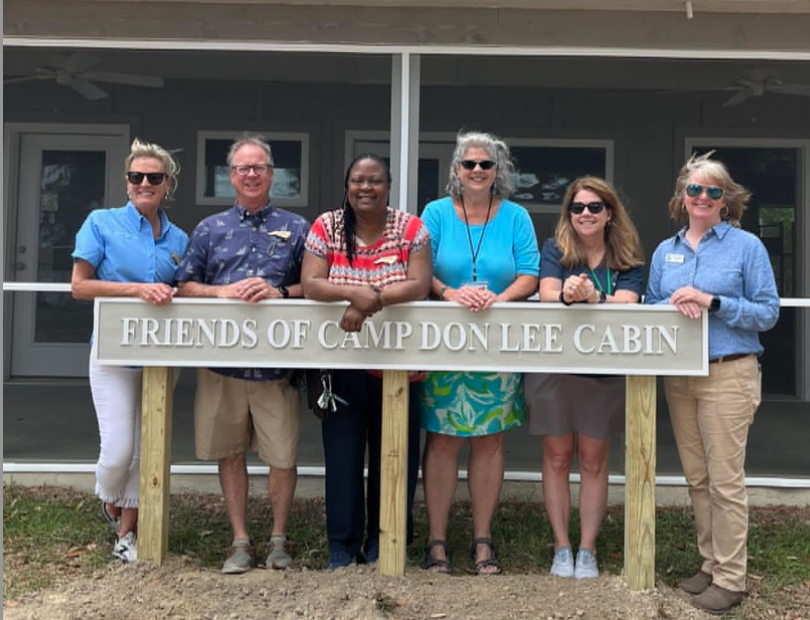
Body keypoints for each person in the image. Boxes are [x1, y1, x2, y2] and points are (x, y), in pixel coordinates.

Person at [645, 152, 779, 613]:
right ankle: (710, 563)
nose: (702, 197)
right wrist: (671, 305)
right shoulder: (665, 251)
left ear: (726, 200)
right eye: (694, 189)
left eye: (712, 191)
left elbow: (767, 312)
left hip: (729, 372)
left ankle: (731, 577)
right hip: (682, 378)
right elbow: (650, 303)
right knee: (698, 478)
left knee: (725, 481)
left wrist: (712, 302)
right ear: (682, 197)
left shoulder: (746, 248)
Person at [175, 133, 310, 574]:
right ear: (231, 176)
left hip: (277, 365)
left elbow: (316, 284)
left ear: (272, 175)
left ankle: (278, 540)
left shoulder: (298, 227)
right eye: (243, 168)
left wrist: (279, 292)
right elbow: (184, 285)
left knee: (282, 456)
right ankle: (240, 541)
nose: (251, 174)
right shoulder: (209, 229)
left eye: (259, 168)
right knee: (229, 451)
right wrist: (222, 291)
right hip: (223, 364)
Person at [301, 153, 432, 569]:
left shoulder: (411, 228)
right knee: (343, 457)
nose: (366, 188)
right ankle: (342, 545)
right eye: (358, 180)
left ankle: (386, 539)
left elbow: (419, 284)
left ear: (388, 186)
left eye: (375, 180)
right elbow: (311, 283)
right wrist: (352, 294)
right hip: (340, 362)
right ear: (347, 186)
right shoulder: (327, 226)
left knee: (395, 455)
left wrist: (367, 302)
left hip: (400, 364)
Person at [420, 131, 540, 575]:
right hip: (444, 342)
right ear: (456, 169)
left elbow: (530, 273)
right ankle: (436, 541)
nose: (476, 170)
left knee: (490, 440)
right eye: (468, 163)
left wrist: (498, 299)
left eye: (485, 164)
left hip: (496, 340)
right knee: (442, 439)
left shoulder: (516, 217)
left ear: (497, 171)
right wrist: (450, 293)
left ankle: (483, 539)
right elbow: (420, 269)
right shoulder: (435, 213)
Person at [71, 138, 189, 563]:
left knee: (146, 449)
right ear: (126, 182)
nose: (145, 183)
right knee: (119, 450)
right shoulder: (101, 223)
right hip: (113, 354)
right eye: (137, 176)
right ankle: (109, 500)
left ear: (167, 184)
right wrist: (137, 289)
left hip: (161, 356)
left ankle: (127, 535)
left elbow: (184, 289)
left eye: (154, 177)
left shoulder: (179, 238)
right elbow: (80, 285)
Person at [523, 177, 644, 579]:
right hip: (555, 365)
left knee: (593, 459)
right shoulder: (555, 248)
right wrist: (568, 294)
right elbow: (546, 293)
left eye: (594, 207)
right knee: (557, 457)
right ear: (569, 214)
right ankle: (562, 546)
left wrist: (595, 298)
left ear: (610, 213)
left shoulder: (626, 255)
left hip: (603, 370)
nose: (585, 214)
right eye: (577, 208)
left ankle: (587, 549)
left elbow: (628, 303)